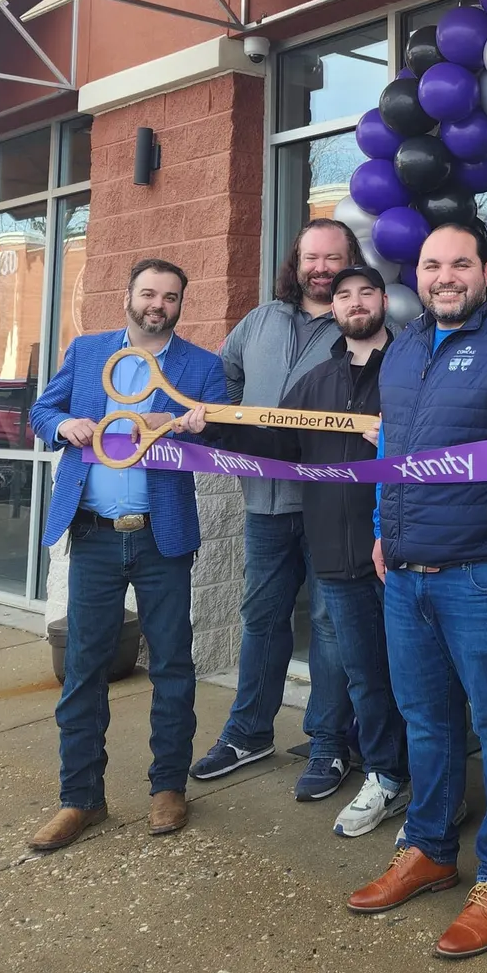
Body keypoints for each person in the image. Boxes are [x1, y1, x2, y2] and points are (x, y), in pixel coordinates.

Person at [348, 222, 487, 960]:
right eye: (432, 264)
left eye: (459, 264)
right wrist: (385, 526)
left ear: (486, 271)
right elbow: (390, 446)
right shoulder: (406, 344)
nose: (445, 275)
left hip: (486, 572)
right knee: (426, 718)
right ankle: (430, 849)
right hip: (407, 572)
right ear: (418, 273)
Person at [190, 265, 412, 837]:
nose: (355, 303)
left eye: (366, 293)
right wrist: (210, 425)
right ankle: (386, 776)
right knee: (364, 673)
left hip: (409, 550)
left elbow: (455, 443)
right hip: (337, 554)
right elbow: (272, 441)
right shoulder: (317, 382)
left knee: (419, 674)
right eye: (344, 296)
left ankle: (433, 783)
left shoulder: (415, 369)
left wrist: (398, 435)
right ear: (332, 309)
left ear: (384, 301)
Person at [27, 258, 228, 851]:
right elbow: (42, 410)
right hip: (92, 534)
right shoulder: (88, 352)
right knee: (84, 672)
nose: (157, 304)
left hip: (162, 538)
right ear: (128, 296)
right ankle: (80, 798)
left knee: (172, 667)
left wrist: (197, 425)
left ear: (180, 303)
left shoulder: (200, 366)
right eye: (148, 293)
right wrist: (64, 427)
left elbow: (221, 435)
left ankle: (168, 788)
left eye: (169, 296)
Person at [191, 218, 360, 801]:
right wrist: (223, 421)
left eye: (333, 258)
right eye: (311, 257)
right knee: (261, 618)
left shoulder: (360, 324)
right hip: (262, 501)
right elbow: (223, 380)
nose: (321, 268)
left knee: (330, 625)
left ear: (351, 260)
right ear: (297, 261)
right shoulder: (259, 320)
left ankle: (329, 741)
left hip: (330, 502)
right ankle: (248, 732)